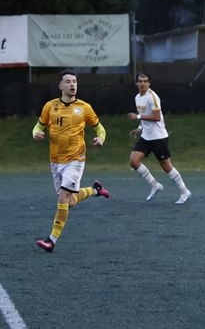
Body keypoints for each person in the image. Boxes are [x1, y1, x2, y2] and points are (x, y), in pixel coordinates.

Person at [32, 70, 110, 253]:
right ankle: (95, 190)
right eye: (68, 82)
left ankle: (51, 240)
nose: (72, 85)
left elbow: (100, 129)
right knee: (70, 201)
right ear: (60, 86)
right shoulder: (50, 106)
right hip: (55, 160)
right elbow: (38, 126)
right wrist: (35, 133)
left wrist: (101, 139)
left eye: (74, 81)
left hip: (76, 159)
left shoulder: (84, 107)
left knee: (63, 197)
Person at [127, 71, 192, 204]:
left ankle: (184, 191)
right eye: (140, 81)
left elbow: (156, 117)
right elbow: (145, 115)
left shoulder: (153, 97)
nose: (142, 83)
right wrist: (139, 129)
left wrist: (137, 117)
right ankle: (154, 185)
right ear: (136, 83)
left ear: (149, 83)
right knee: (134, 161)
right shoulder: (137, 97)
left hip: (158, 137)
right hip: (146, 136)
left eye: (145, 81)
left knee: (166, 166)